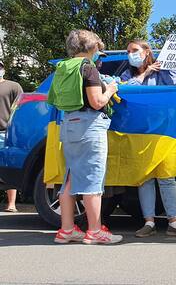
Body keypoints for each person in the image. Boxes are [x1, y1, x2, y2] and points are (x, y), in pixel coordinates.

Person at [120, 40, 176, 239]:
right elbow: (125, 89)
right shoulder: (127, 74)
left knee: (167, 176)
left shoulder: (164, 71)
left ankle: (174, 223)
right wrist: (145, 73)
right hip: (139, 132)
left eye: (134, 50)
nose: (130, 54)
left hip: (164, 132)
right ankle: (149, 222)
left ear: (146, 51)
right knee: (145, 178)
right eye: (128, 51)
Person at [50, 29, 122, 244]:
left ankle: (67, 230)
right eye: (98, 48)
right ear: (91, 47)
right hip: (90, 126)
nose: (100, 52)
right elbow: (97, 102)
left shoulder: (63, 67)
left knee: (70, 179)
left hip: (69, 124)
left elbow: (53, 98)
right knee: (92, 178)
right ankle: (95, 231)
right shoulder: (88, 68)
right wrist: (109, 89)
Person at [0, 62, 23, 212]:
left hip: (5, 132)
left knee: (8, 168)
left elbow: (20, 108)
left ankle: (12, 204)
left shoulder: (13, 86)